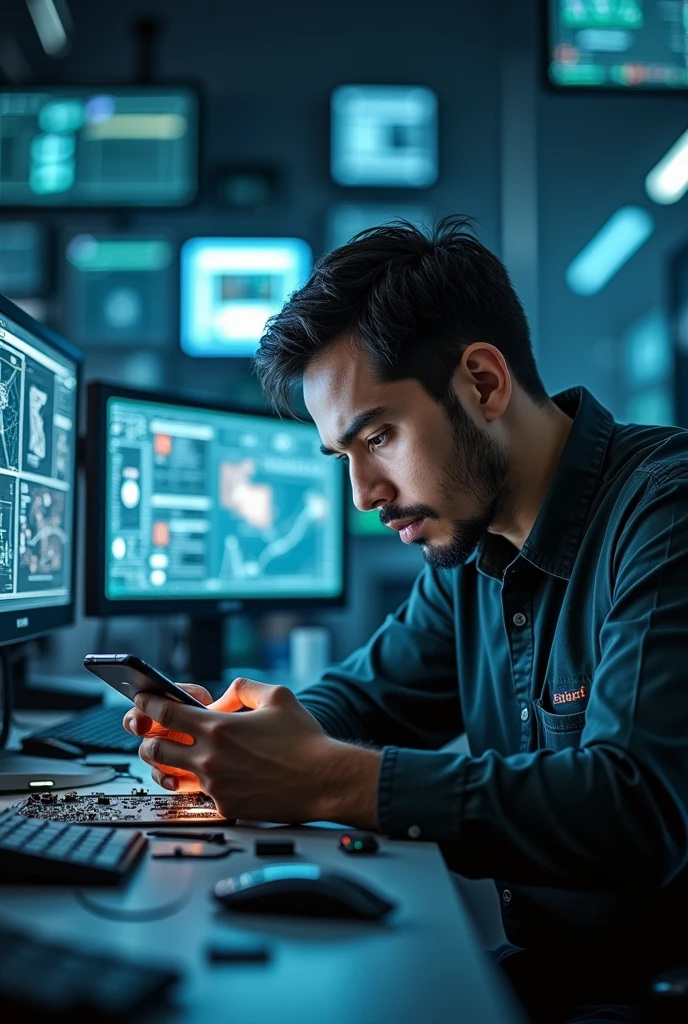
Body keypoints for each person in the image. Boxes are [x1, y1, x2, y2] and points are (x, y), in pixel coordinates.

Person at [124, 218, 688, 1023]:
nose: (363, 494)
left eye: (379, 436)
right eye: (344, 456)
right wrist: (232, 740)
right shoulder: (474, 543)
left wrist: (323, 776)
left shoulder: (665, 511)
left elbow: (633, 812)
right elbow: (364, 701)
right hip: (558, 974)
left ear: (484, 384)